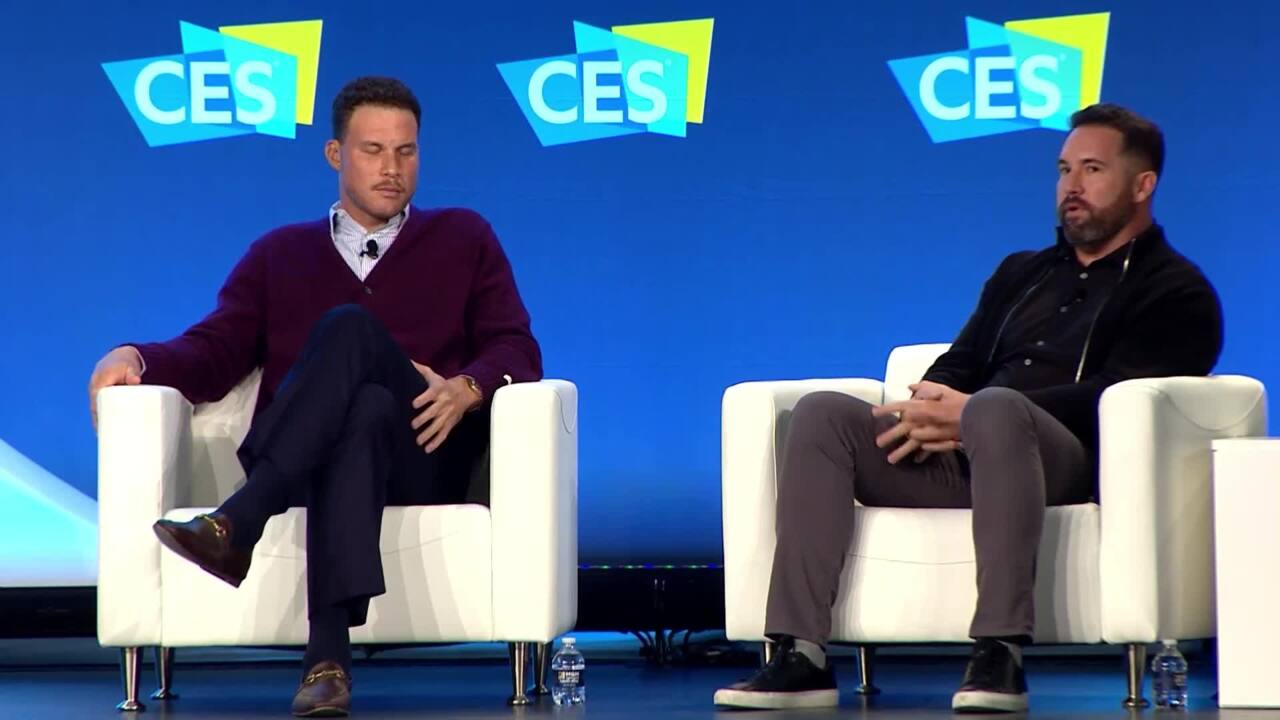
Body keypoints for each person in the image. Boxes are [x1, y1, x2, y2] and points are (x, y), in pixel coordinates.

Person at [714, 103, 1222, 713]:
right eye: (1064, 170)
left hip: (1066, 462)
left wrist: (973, 412)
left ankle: (999, 653)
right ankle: (799, 655)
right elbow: (963, 360)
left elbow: (1115, 394)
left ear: (1143, 185)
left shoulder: (1176, 290)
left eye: (1092, 170)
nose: (1072, 186)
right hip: (967, 449)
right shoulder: (1022, 273)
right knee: (824, 415)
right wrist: (930, 407)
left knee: (998, 409)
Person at [89, 76, 542, 717]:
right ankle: (326, 662)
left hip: (424, 454)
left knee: (352, 331)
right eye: (373, 150)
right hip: (317, 459)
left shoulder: (464, 237)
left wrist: (467, 388)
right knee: (361, 409)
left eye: (406, 151)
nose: (392, 168)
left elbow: (516, 346)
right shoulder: (279, 254)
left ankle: (243, 517)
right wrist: (136, 356)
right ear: (336, 154)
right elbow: (215, 350)